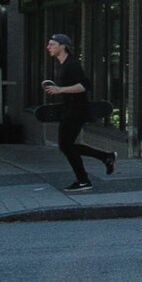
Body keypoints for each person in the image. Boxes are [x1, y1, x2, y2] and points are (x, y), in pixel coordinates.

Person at [42, 33, 115, 191]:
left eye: (52, 44)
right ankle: (105, 157)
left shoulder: (72, 64)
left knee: (65, 146)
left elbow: (84, 85)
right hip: (70, 109)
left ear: (63, 46)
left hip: (77, 110)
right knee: (66, 146)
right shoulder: (62, 64)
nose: (49, 47)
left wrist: (60, 89)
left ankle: (84, 180)